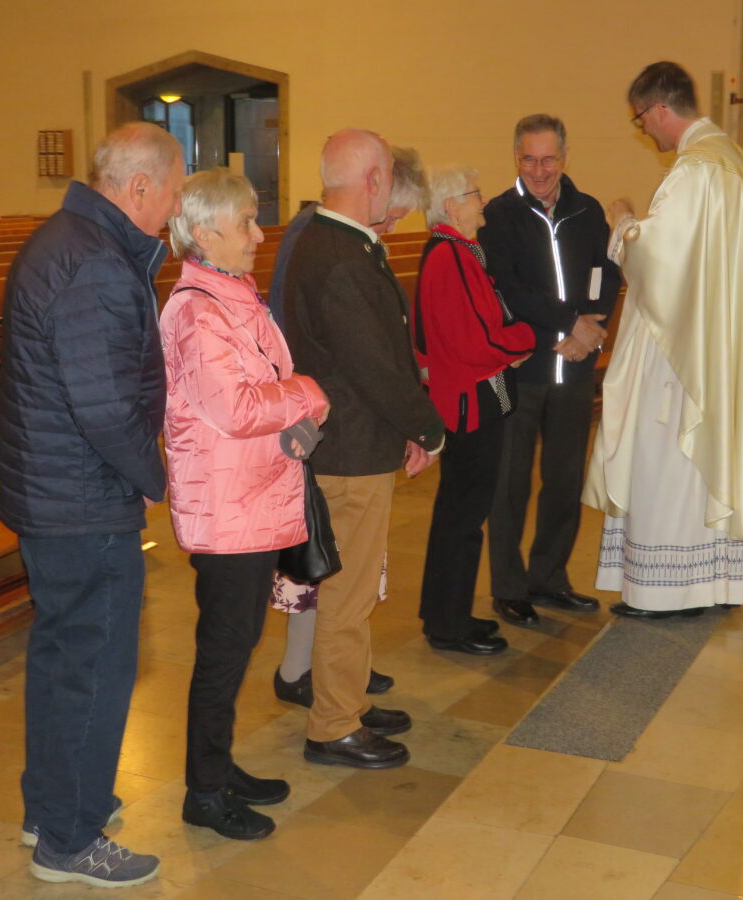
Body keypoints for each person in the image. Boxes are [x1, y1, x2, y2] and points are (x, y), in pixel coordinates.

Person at [0, 121, 185, 888]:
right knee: (95, 669)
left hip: (55, 491)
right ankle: (69, 842)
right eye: (172, 191)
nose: (174, 208)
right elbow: (104, 408)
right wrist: (156, 476)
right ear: (139, 187)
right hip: (82, 498)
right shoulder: (95, 262)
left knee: (61, 658)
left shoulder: (67, 239)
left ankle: (52, 807)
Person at [159, 168, 329, 839]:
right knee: (223, 651)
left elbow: (266, 383)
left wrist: (292, 394)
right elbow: (235, 408)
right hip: (225, 509)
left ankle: (220, 767)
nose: (260, 235)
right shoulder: (196, 312)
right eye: (246, 222)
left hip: (253, 499)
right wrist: (309, 394)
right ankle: (203, 793)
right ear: (205, 234)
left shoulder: (234, 298)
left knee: (238, 645)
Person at [582, 61, 743, 618]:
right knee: (703, 465)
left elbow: (660, 258)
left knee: (665, 459)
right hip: (719, 350)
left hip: (680, 354)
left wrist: (622, 222)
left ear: (659, 108)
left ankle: (664, 592)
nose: (643, 130)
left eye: (641, 118)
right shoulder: (737, 163)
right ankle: (713, 583)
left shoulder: (695, 171)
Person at [282, 128, 445, 769]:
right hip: (349, 451)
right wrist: (427, 426)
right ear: (374, 180)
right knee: (347, 599)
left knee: (353, 593)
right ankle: (333, 725)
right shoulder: (340, 256)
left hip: (356, 440)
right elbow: (374, 364)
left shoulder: (336, 242)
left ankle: (346, 699)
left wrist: (406, 425)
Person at [478, 114, 621, 628]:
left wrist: (591, 329)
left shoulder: (587, 211)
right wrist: (567, 324)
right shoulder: (499, 215)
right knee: (510, 485)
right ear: (515, 157)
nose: (539, 171)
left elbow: (606, 271)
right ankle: (509, 587)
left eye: (548, 160)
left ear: (565, 156)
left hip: (575, 369)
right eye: (529, 160)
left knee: (564, 480)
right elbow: (507, 289)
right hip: (524, 369)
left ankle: (549, 577)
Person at [413, 165, 535, 655]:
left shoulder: (459, 251)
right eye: (475, 194)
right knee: (461, 519)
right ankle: (448, 625)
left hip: (470, 398)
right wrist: (525, 339)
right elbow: (475, 341)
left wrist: (510, 341)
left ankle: (449, 614)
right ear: (451, 206)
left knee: (460, 515)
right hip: (468, 405)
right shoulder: (451, 256)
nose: (483, 201)